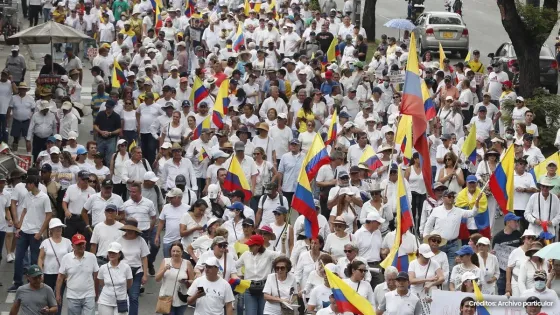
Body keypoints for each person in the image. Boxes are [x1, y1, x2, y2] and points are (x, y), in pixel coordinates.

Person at [9, 174, 52, 292]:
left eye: (27, 184)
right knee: (18, 258)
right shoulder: (28, 195)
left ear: (32, 184)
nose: (25, 186)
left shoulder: (44, 197)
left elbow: (49, 215)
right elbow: (24, 211)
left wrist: (40, 232)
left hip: (35, 233)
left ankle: (32, 283)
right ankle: (17, 282)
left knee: (34, 260)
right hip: (24, 231)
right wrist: (19, 228)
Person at [236, 234, 281, 315]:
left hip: (264, 289)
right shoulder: (245, 254)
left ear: (258, 246)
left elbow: (283, 257)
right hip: (249, 288)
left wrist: (284, 244)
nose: (248, 246)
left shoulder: (269, 254)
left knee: (263, 313)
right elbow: (235, 265)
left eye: (251, 245)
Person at [56, 234, 99, 315]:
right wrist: (58, 294)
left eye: (83, 244)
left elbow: (96, 276)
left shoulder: (92, 257)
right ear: (73, 246)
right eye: (78, 244)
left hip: (89, 294)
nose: (81, 246)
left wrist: (96, 292)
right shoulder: (66, 258)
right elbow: (60, 277)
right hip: (73, 296)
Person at [37, 218, 72, 315]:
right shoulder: (46, 242)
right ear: (51, 230)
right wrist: (40, 272)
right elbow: (40, 258)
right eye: (56, 228)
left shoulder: (67, 242)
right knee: (47, 297)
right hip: (48, 274)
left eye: (60, 227)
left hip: (61, 275)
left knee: (58, 297)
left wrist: (69, 273)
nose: (58, 230)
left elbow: (71, 258)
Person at [116, 219, 150, 315]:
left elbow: (144, 258)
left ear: (135, 230)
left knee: (134, 296)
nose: (129, 231)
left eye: (131, 229)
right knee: (121, 296)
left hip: (136, 271)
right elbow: (114, 256)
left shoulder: (141, 240)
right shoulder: (119, 240)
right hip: (122, 271)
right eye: (128, 229)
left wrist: (145, 274)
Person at [155, 242, 194, 315]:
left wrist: (186, 281)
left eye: (178, 251)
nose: (175, 253)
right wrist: (164, 270)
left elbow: (193, 281)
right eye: (173, 251)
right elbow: (157, 279)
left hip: (181, 297)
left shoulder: (187, 263)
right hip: (166, 298)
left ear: (182, 252)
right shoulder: (165, 261)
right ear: (170, 251)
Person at [96, 242, 133, 315]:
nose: (111, 255)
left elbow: (129, 284)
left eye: (114, 253)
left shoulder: (126, 267)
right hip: (105, 301)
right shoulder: (103, 268)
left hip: (122, 300)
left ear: (119, 254)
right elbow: (101, 283)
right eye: (110, 252)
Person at [155, 188, 189, 257]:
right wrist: (157, 236)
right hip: (167, 240)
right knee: (167, 261)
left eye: (171, 198)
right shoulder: (166, 207)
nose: (169, 199)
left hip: (181, 240)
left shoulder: (187, 208)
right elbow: (161, 222)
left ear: (179, 198)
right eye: (169, 198)